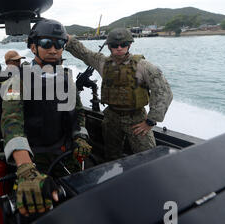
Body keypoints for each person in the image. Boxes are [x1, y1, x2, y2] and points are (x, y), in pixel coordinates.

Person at [0, 19, 92, 217]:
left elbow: (78, 113)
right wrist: (25, 169)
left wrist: (80, 136)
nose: (53, 50)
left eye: (59, 44)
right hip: (32, 160)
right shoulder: (15, 82)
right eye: (46, 44)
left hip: (65, 153)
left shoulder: (66, 77)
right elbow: (11, 122)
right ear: (33, 47)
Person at [65, 28, 173, 161]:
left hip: (137, 119)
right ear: (109, 47)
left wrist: (151, 120)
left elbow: (163, 91)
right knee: (111, 155)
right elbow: (84, 53)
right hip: (112, 117)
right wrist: (68, 39)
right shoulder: (103, 63)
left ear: (130, 45)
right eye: (115, 45)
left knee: (148, 156)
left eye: (124, 45)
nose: (119, 48)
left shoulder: (143, 66)